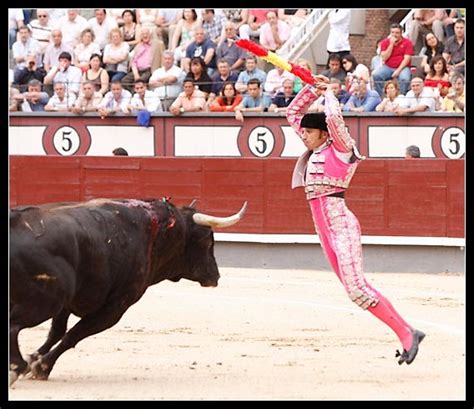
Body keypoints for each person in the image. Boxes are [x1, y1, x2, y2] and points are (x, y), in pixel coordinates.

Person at [286, 74, 425, 366]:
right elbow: (293, 113)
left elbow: (334, 119)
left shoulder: (341, 148)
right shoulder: (316, 146)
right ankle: (408, 332)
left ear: (324, 134)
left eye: (310, 132)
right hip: (323, 229)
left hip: (340, 224)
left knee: (357, 288)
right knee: (354, 291)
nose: (304, 136)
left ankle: (407, 333)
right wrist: (313, 89)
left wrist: (329, 94)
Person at [372, 23, 414, 97]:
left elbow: (407, 59)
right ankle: (380, 96)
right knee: (376, 75)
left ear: (401, 33)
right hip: (388, 67)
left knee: (404, 79)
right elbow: (384, 58)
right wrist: (391, 45)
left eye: (397, 33)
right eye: (392, 32)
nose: (394, 35)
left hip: (403, 67)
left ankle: (401, 97)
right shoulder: (385, 42)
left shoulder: (407, 42)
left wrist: (398, 70)